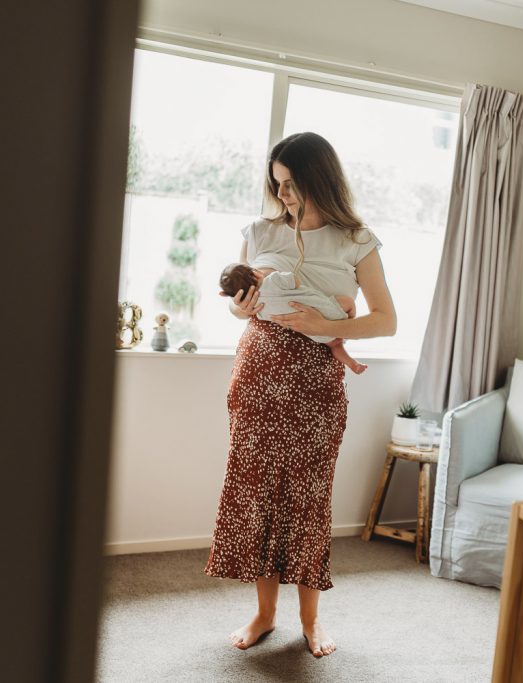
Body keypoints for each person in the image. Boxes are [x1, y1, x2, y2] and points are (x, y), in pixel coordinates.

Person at [204, 132, 397, 659]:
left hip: (316, 384)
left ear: (320, 179)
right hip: (258, 377)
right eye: (277, 184)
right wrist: (241, 308)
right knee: (257, 494)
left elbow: (385, 320)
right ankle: (265, 614)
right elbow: (238, 303)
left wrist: (322, 324)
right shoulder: (260, 231)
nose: (282, 194)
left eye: (291, 184)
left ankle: (311, 621)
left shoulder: (357, 239)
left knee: (307, 499)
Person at [217, 261, 368, 374]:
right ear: (255, 273)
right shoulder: (273, 280)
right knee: (348, 302)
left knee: (335, 345)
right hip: (325, 311)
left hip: (315, 334)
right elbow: (295, 281)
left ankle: (352, 363)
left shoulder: (259, 310)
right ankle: (348, 325)